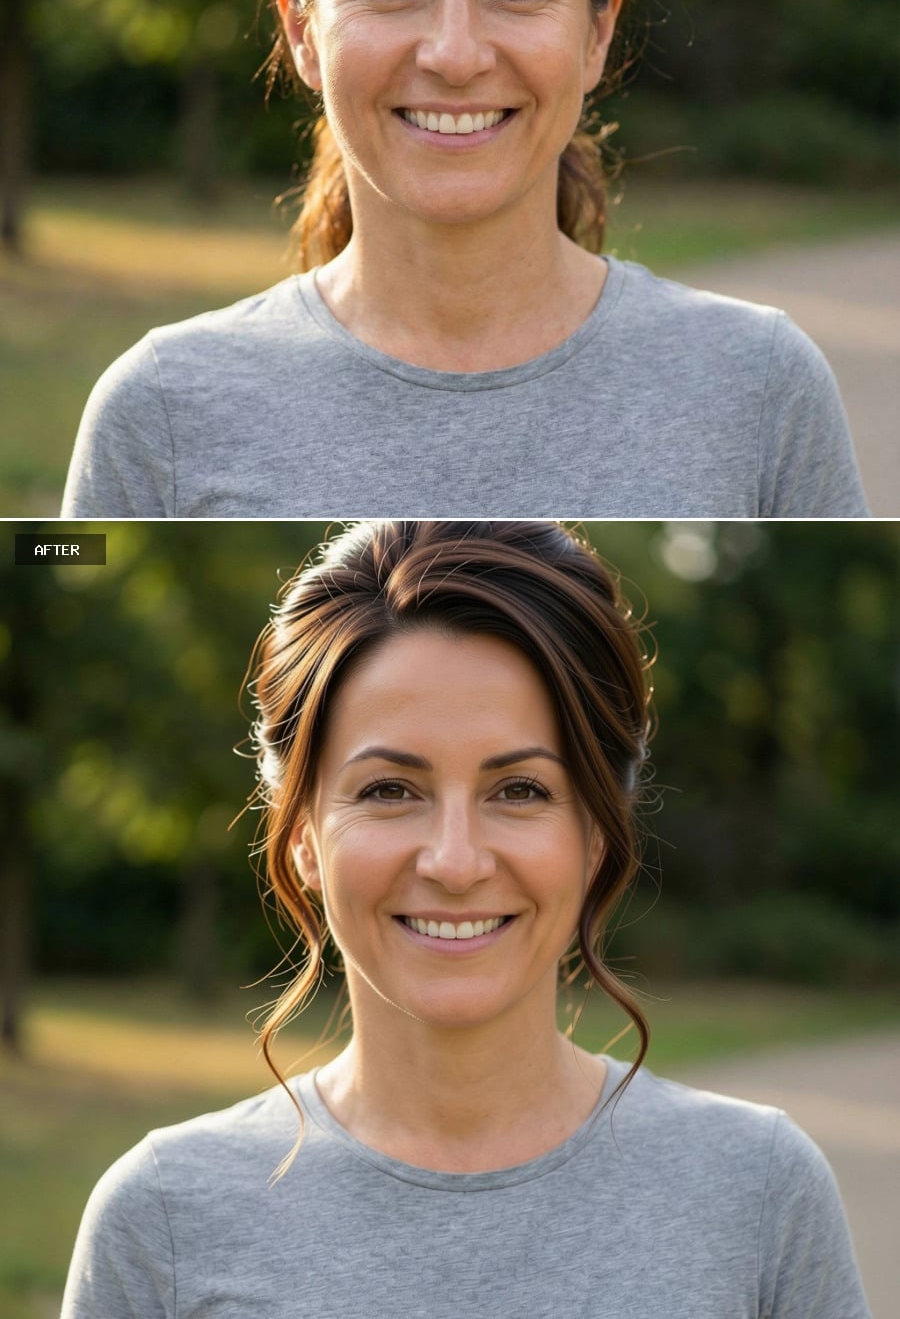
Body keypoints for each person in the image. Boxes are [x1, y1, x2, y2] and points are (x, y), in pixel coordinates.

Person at [62, 519, 871, 1318]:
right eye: (389, 790)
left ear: (596, 835)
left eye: (519, 791)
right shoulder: (162, 1217)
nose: (455, 862)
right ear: (304, 837)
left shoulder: (759, 1190)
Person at [61, 0, 867, 519]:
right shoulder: (161, 412)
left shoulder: (758, 386)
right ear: (300, 27)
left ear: (597, 27)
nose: (454, 53)